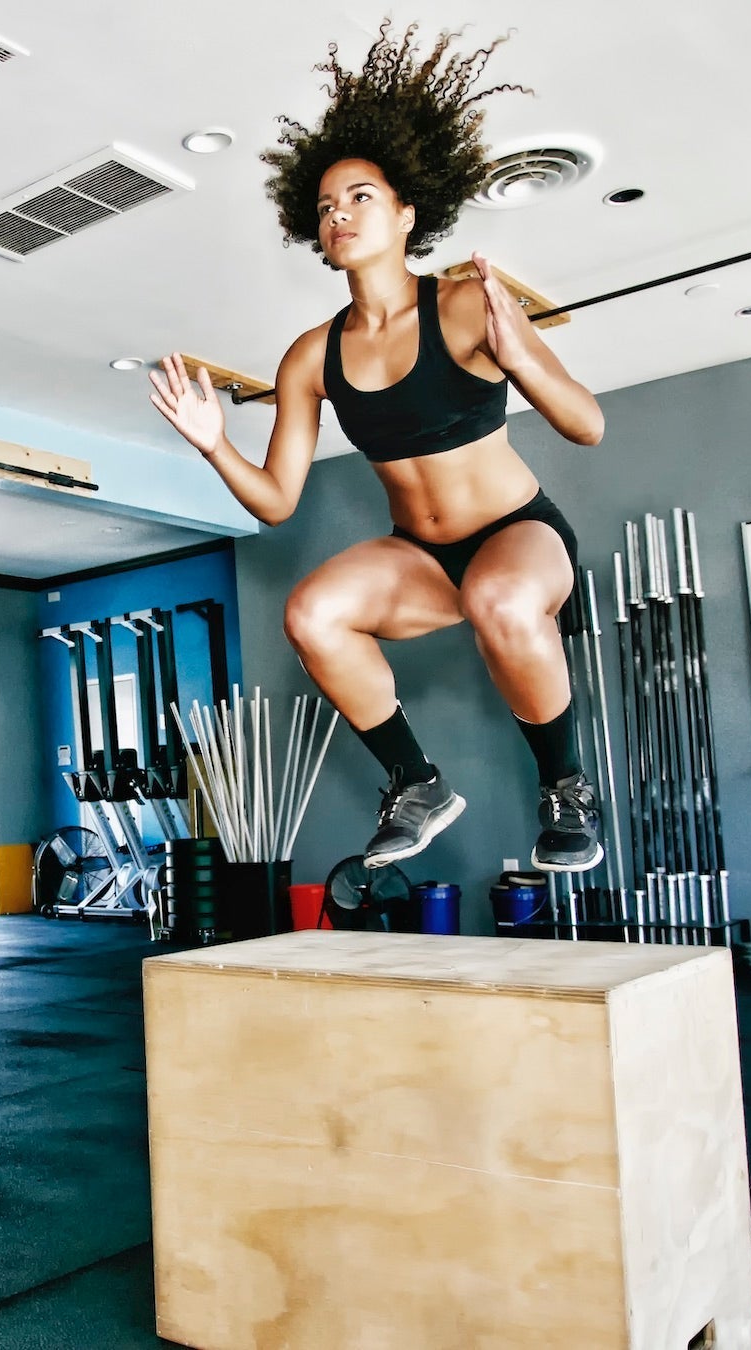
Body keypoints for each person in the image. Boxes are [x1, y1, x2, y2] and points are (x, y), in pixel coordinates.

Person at [147, 26, 606, 872]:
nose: (340, 215)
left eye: (360, 198)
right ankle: (415, 784)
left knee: (502, 603)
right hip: (420, 557)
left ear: (405, 214)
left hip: (516, 533)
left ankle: (565, 789)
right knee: (310, 613)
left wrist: (522, 357)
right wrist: (216, 445)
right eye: (326, 207)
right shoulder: (310, 357)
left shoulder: (467, 307)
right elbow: (278, 500)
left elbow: (587, 424)